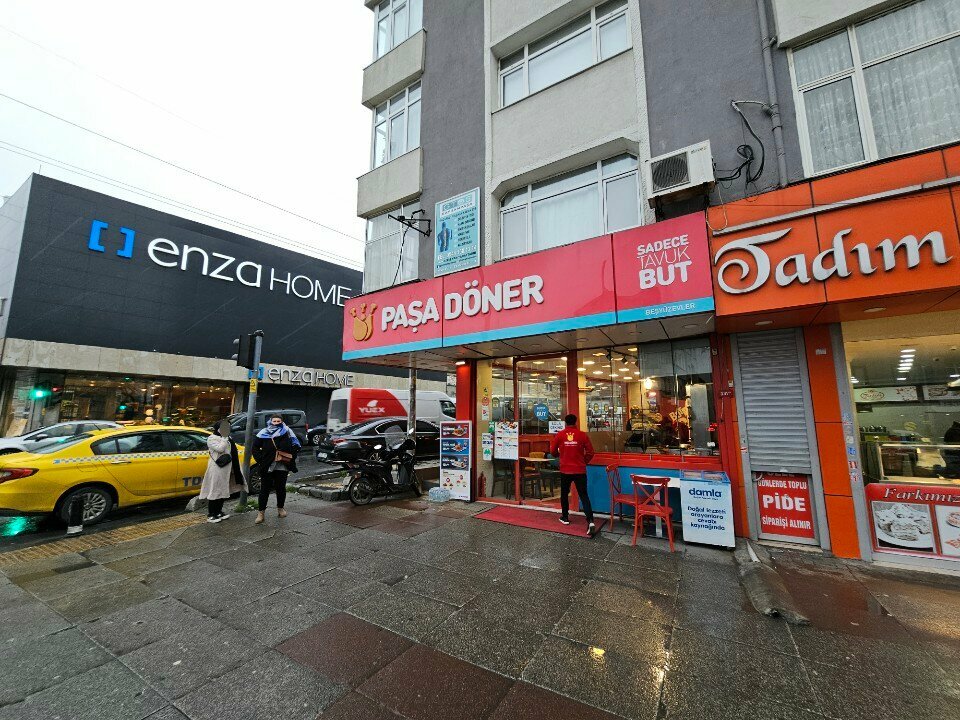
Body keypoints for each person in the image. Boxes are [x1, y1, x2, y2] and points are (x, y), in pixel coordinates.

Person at [550, 414, 597, 537]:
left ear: (565, 422)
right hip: (580, 470)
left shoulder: (560, 435)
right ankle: (590, 521)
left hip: (565, 470)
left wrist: (560, 455)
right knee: (584, 495)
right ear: (576, 422)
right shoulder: (582, 435)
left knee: (564, 494)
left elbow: (553, 451)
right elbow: (591, 452)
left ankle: (565, 517)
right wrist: (583, 461)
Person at [251, 413, 300, 524]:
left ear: (282, 422)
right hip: (267, 465)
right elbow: (255, 447)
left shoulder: (287, 431)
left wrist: (291, 456)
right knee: (264, 489)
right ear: (270, 421)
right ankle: (261, 513)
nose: (276, 423)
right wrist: (261, 460)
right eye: (274, 421)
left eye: (278, 421)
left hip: (282, 464)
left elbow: (296, 445)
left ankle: (280, 508)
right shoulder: (263, 432)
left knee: (281, 488)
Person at [199, 419, 244, 523]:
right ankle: (211, 514)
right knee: (215, 491)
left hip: (227, 468)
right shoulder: (212, 438)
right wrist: (224, 438)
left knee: (223, 490)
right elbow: (220, 449)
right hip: (217, 468)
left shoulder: (228, 438)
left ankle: (219, 512)